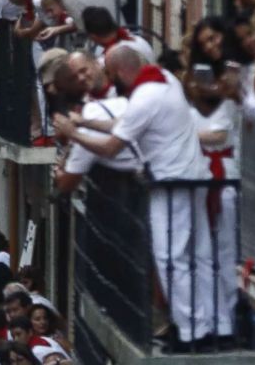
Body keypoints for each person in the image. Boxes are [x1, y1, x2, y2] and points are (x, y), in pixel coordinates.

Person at [53, 47, 215, 350]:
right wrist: (84, 124)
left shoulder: (143, 98)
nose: (113, 81)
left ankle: (191, 332)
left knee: (171, 259)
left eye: (113, 74)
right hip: (193, 176)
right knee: (200, 254)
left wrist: (71, 134)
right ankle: (212, 325)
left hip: (171, 183)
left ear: (121, 71)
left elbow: (111, 147)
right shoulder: (164, 80)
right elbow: (124, 124)